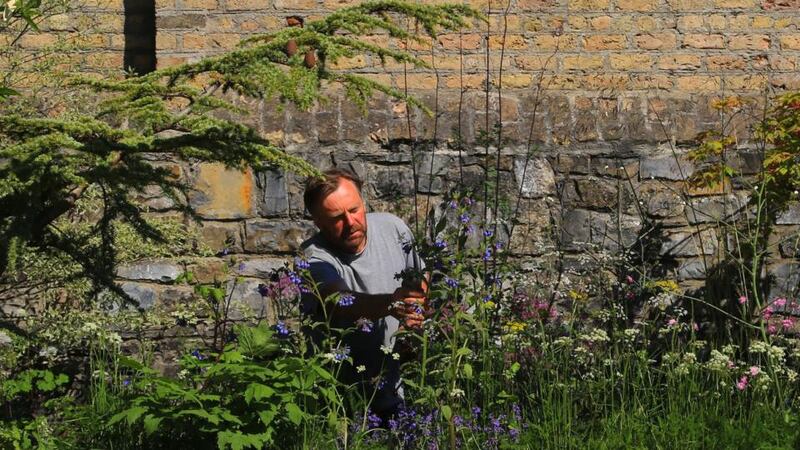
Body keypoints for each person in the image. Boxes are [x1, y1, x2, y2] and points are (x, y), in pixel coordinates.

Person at [300, 167, 426, 418]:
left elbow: (420, 274)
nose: (350, 223)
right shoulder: (313, 259)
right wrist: (391, 303)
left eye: (354, 210)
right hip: (343, 401)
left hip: (400, 389)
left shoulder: (393, 228)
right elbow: (338, 301)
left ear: (363, 203)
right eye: (337, 218)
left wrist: (415, 311)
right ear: (318, 222)